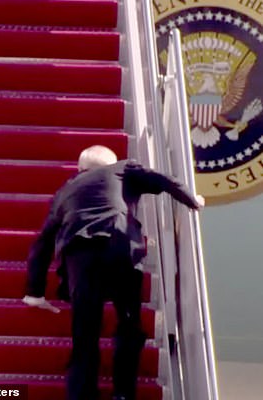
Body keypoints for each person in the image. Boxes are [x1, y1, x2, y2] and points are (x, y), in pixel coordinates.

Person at [23, 145, 204, 400]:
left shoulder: (65, 191)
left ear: (79, 169)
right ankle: (123, 393)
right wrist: (192, 199)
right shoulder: (123, 168)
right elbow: (163, 180)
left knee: (85, 334)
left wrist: (35, 292)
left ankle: (82, 395)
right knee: (129, 325)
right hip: (119, 247)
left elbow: (43, 242)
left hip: (80, 259)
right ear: (111, 163)